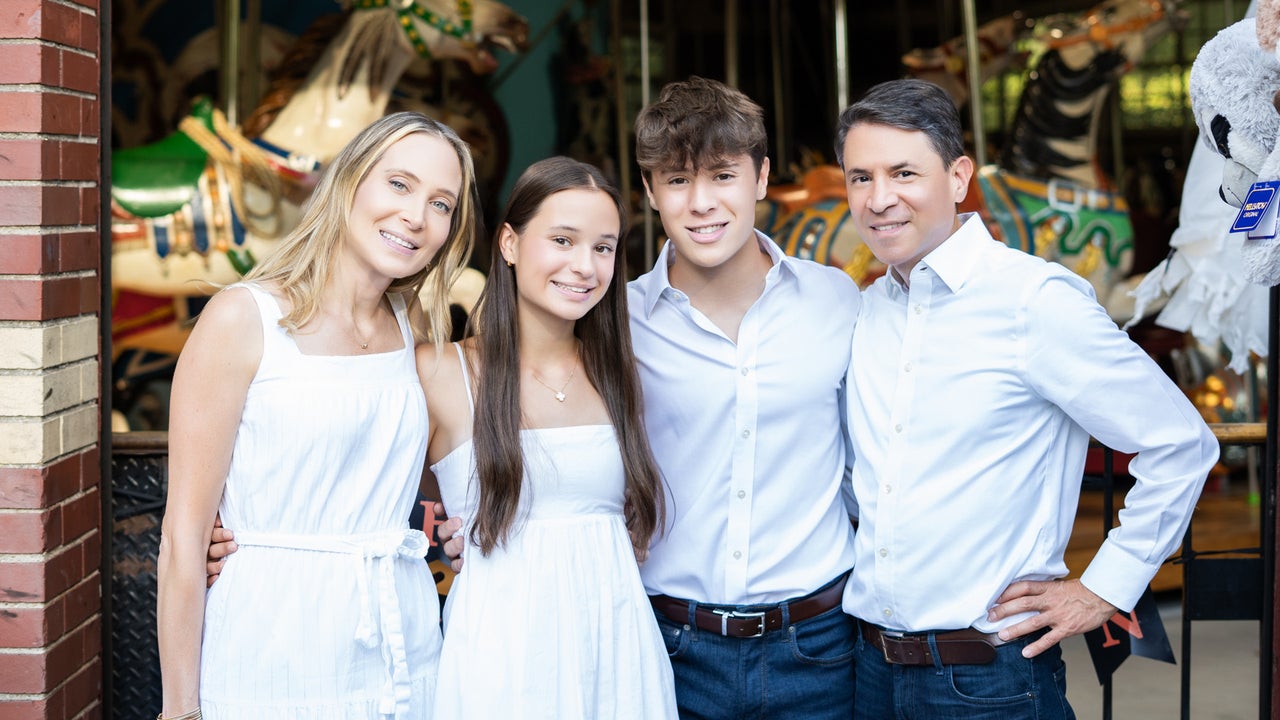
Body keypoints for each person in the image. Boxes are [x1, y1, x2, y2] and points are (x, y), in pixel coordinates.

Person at [835, 78, 1219, 719]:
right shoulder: (868, 309)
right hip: (870, 670)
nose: (879, 199)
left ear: (959, 177)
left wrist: (1104, 588)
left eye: (903, 173)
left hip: (988, 681)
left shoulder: (1032, 300)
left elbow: (1180, 444)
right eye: (860, 177)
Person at [157, 111, 479, 720]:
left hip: (403, 647)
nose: (416, 216)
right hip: (271, 647)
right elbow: (183, 540)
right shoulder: (243, 319)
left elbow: (415, 477)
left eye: (441, 204)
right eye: (399, 184)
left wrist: (462, 532)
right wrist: (180, 712)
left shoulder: (415, 328)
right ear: (349, 181)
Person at [417, 156, 677, 718]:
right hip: (500, 660)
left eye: (603, 248)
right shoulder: (441, 372)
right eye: (563, 240)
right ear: (509, 243)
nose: (584, 266)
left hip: (616, 653)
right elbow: (384, 497)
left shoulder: (621, 373)